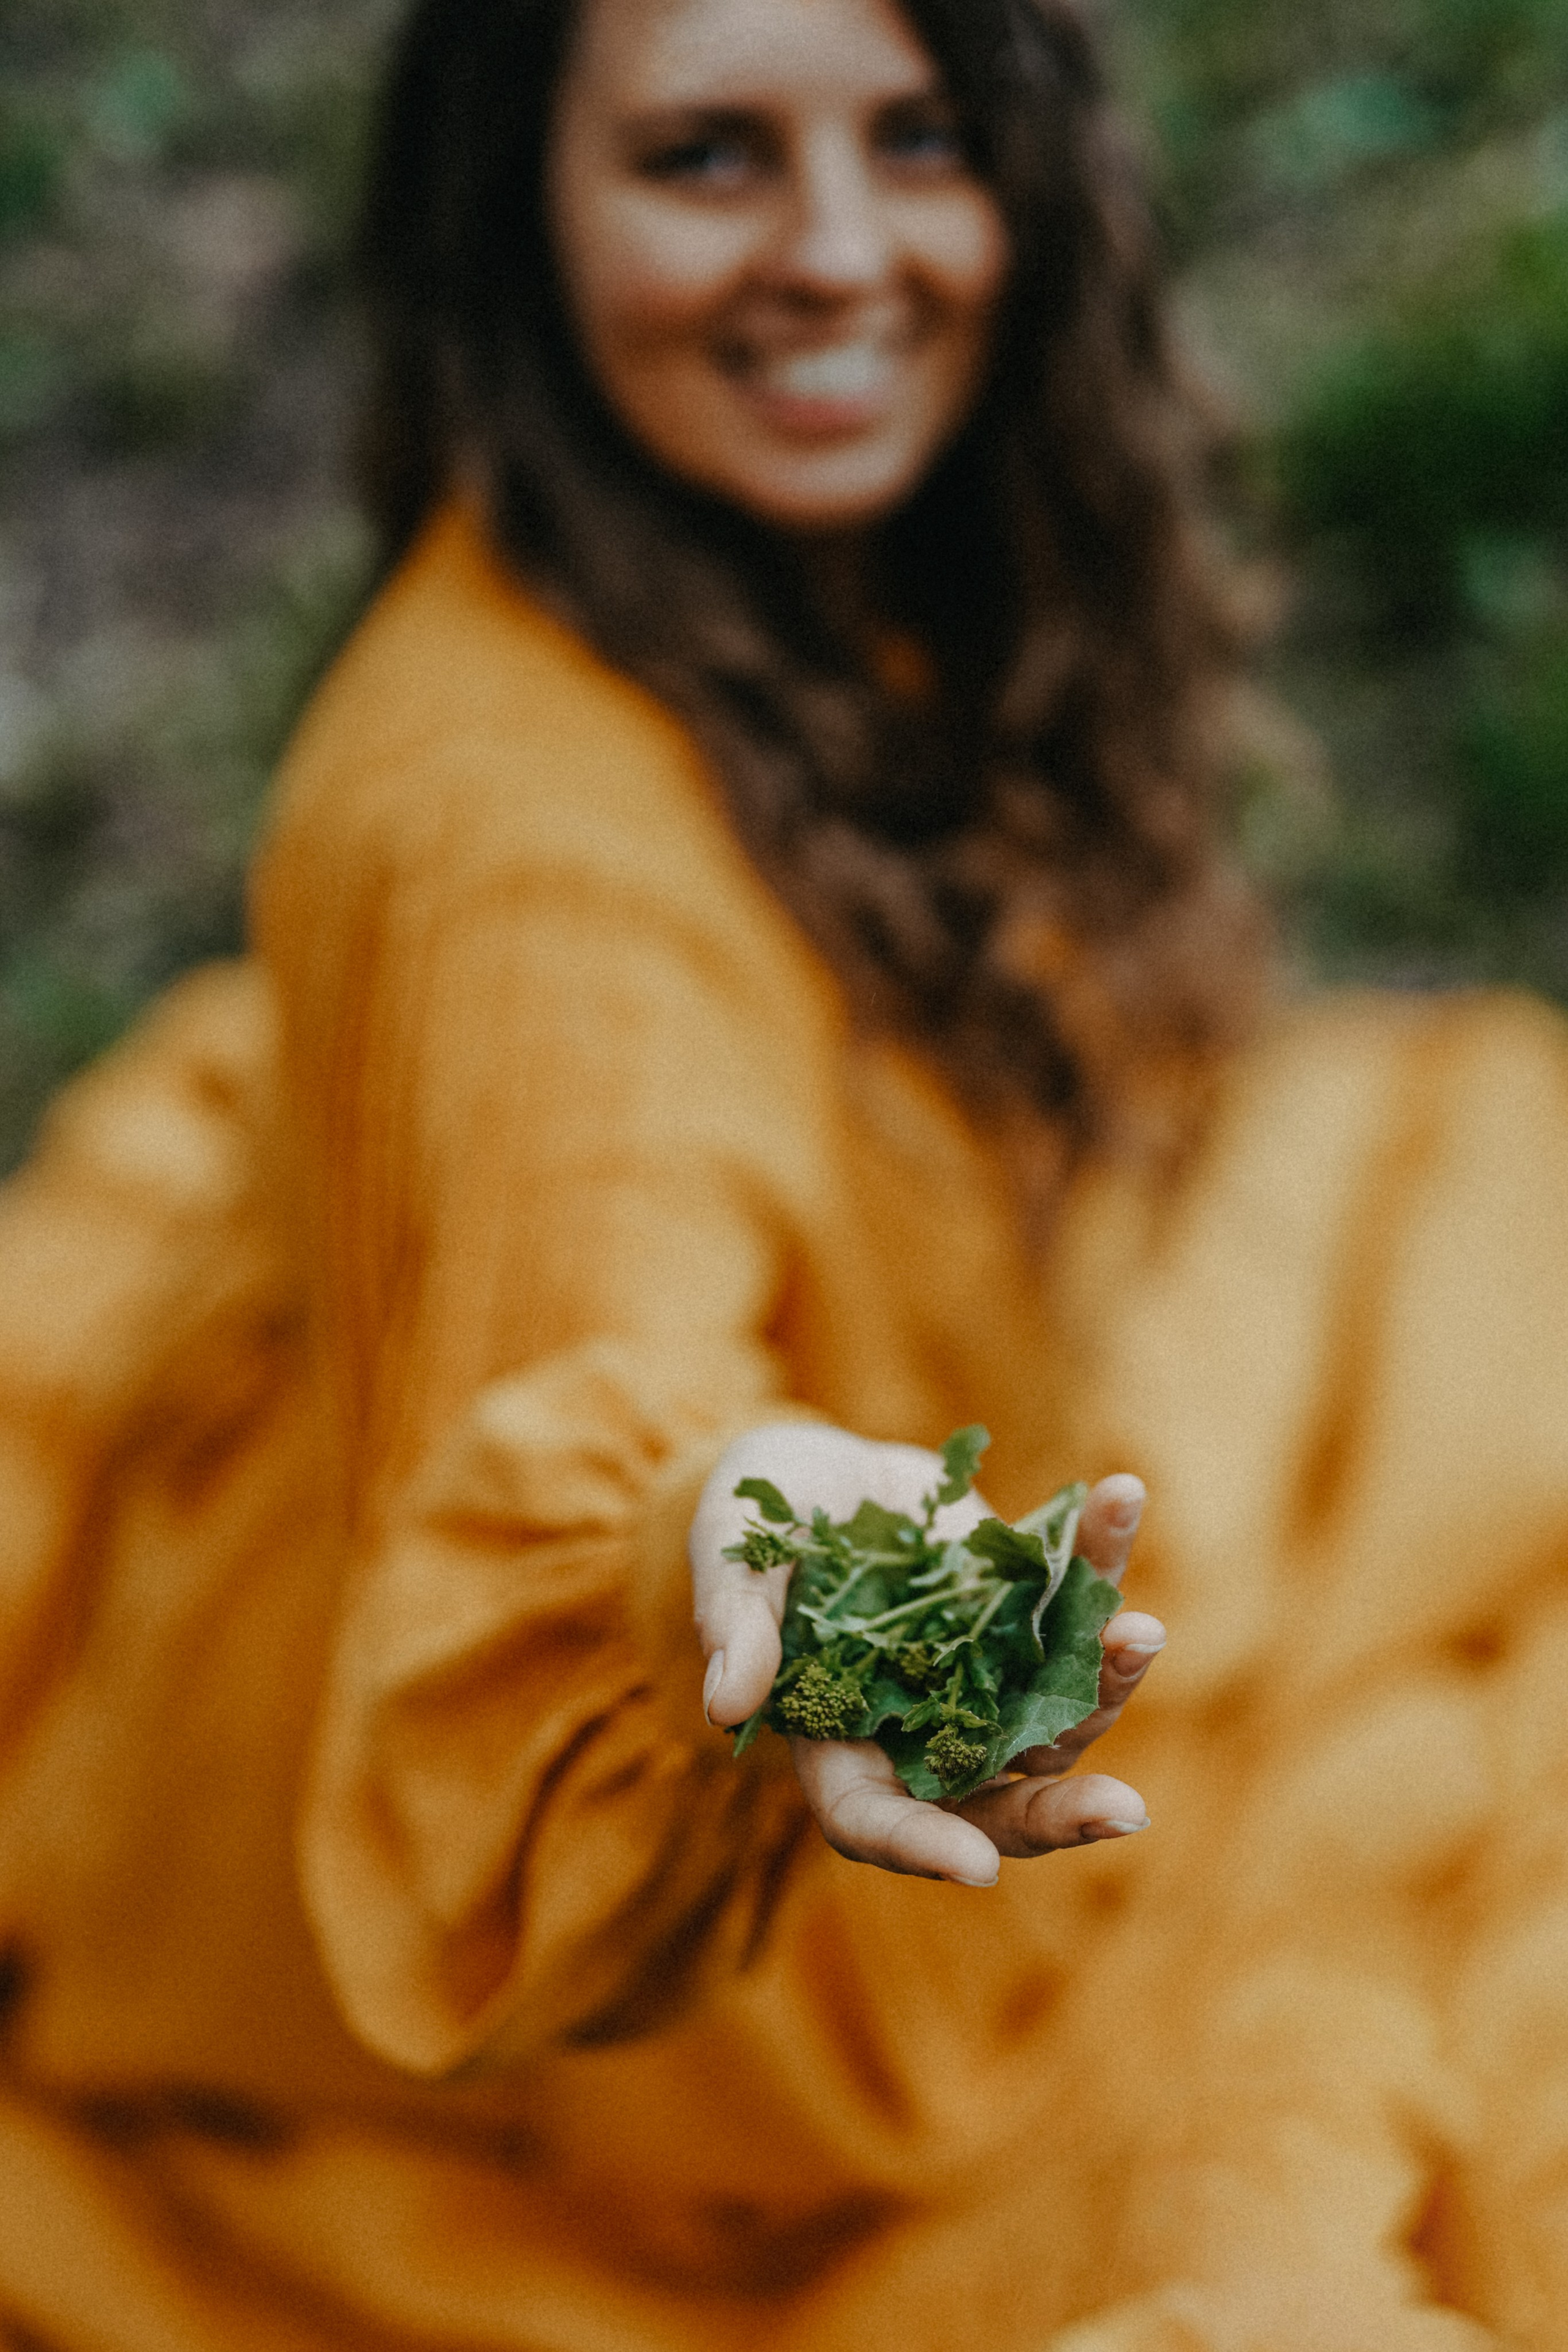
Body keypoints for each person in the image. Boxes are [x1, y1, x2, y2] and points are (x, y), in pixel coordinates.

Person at [0, 0, 1566, 2344]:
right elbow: (585, 1372)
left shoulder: (769, 554)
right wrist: (733, 1538)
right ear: (520, 206)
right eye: (710, 159)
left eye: (916, 137)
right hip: (597, 1748)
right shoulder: (524, 877)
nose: (841, 253)